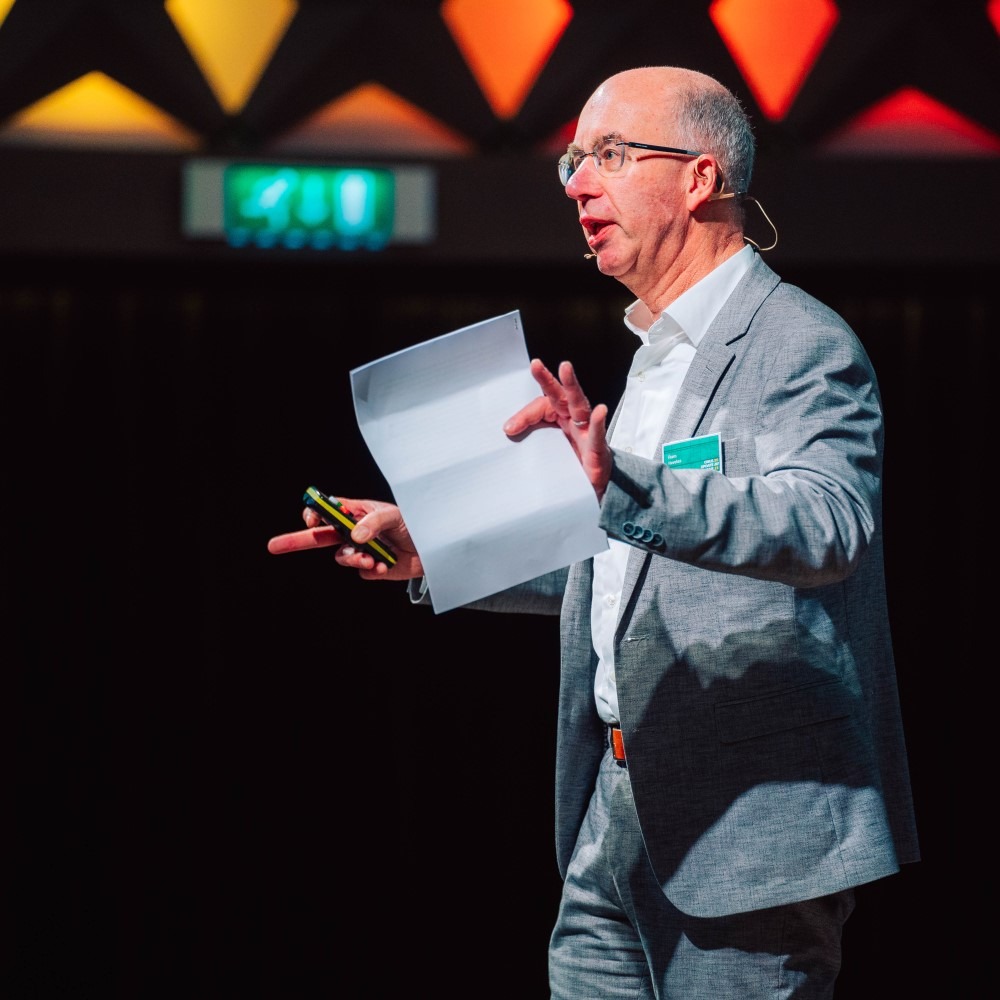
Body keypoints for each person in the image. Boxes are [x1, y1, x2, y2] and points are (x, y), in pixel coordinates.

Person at [268, 66, 919, 998]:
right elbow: (617, 565)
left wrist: (625, 482)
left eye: (609, 154)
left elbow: (829, 522)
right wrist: (433, 547)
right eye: (574, 159)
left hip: (749, 823)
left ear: (700, 180)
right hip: (615, 810)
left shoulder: (799, 344)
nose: (576, 182)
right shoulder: (656, 356)